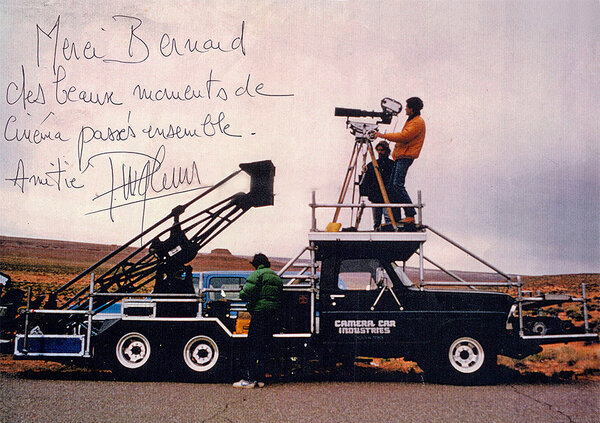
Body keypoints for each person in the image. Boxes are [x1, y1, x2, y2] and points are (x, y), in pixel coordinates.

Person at [233, 253, 283, 388]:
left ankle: (249, 380)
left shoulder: (257, 274)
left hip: (259, 314)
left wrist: (243, 293)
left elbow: (245, 294)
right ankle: (260, 380)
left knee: (252, 346)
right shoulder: (276, 277)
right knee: (265, 347)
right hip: (272, 315)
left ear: (256, 264)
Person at [373, 96, 425, 224]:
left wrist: (383, 136)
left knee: (397, 185)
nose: (405, 109)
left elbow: (404, 136)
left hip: (406, 156)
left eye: (407, 107)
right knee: (392, 187)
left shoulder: (417, 122)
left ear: (412, 109)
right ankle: (395, 218)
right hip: (401, 156)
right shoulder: (412, 120)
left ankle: (410, 214)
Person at [359, 140, 394, 230]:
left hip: (388, 196)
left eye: (382, 150)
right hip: (376, 197)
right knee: (376, 221)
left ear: (387, 151)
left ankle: (389, 236)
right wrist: (370, 194)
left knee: (389, 219)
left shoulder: (392, 165)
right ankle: (377, 232)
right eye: (378, 150)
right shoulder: (372, 165)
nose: (380, 152)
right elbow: (366, 181)